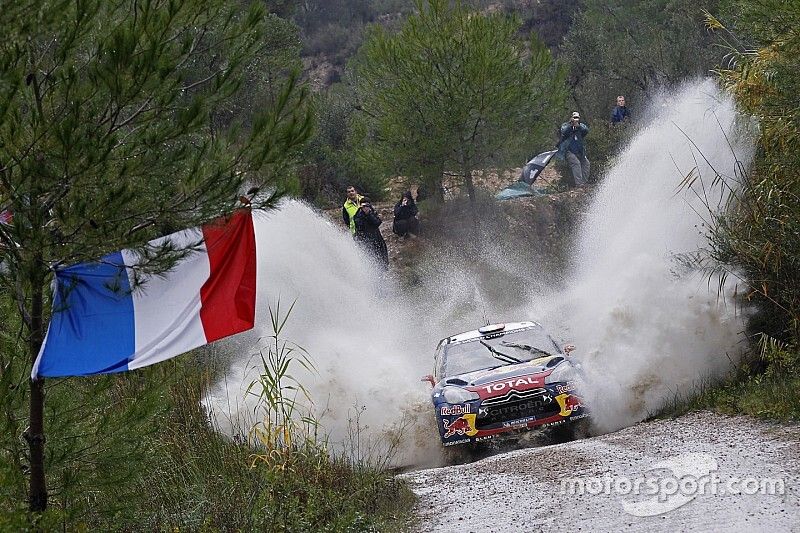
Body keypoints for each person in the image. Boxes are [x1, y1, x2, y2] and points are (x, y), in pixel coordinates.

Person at [353, 197, 389, 269]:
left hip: (376, 239)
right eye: (364, 206)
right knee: (369, 259)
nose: (365, 208)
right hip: (365, 240)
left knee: (381, 258)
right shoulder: (358, 215)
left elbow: (377, 222)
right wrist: (364, 215)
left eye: (367, 205)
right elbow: (359, 226)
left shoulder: (373, 213)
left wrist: (369, 214)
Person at [557, 111, 590, 187]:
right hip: (568, 151)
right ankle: (579, 184)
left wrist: (578, 125)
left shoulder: (580, 126)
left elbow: (586, 130)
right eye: (574, 117)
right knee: (576, 163)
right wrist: (571, 125)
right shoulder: (565, 125)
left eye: (577, 117)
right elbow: (564, 131)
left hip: (580, 151)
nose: (576, 119)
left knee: (586, 164)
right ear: (571, 118)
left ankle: (584, 182)